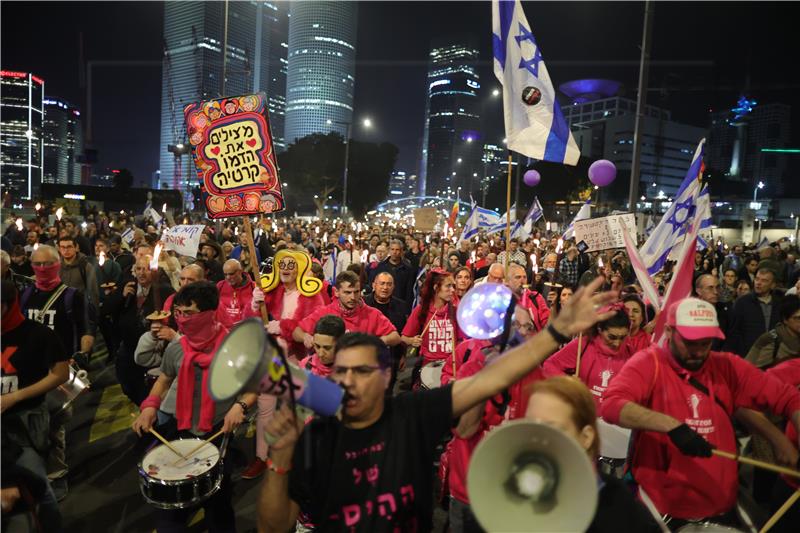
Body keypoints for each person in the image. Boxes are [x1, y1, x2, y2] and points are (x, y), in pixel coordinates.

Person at [257, 277, 618, 532]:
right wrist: (279, 460)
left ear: (386, 377)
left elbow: (489, 380)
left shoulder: (412, 415)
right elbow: (274, 527)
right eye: (342, 371)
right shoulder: (316, 437)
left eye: (363, 370)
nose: (349, 380)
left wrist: (556, 332)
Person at [600, 297, 800, 529]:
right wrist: (670, 425)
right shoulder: (649, 363)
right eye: (690, 342)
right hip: (662, 507)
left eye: (706, 343)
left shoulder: (726, 366)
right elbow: (612, 405)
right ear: (668, 331)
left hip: (719, 504)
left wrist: (782, 440)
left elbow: (787, 397)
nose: (698, 351)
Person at [132, 281, 256, 532]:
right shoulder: (177, 348)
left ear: (209, 313)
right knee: (171, 516)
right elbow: (165, 378)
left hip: (219, 433)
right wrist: (150, 406)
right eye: (178, 312)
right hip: (182, 430)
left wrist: (240, 406)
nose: (181, 319)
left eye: (188, 313)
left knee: (219, 511)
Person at [525, 377, 660, 532]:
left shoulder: (617, 504)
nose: (536, 439)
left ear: (586, 437)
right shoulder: (511, 491)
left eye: (553, 430)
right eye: (531, 426)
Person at [245, 251, 325, 480]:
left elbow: (314, 326)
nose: (286, 269)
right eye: (282, 265)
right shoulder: (272, 290)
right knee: (265, 406)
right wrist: (255, 302)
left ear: (299, 268)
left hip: (297, 358)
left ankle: (292, 456)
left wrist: (283, 326)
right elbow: (252, 317)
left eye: (290, 265)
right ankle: (261, 456)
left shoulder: (312, 294)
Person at [1, 279, 68, 532]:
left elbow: (60, 374)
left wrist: (16, 397)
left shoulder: (38, 334)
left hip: (25, 423)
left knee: (38, 486)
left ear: (9, 305)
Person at [105, 255, 174, 406]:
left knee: (148, 390)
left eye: (146, 269)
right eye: (138, 269)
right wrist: (120, 297)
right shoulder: (128, 287)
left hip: (152, 350)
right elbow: (105, 311)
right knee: (128, 385)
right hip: (128, 347)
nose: (142, 273)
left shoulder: (164, 290)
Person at [543, 307, 631, 405]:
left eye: (622, 337)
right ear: (600, 329)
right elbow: (549, 365)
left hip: (614, 416)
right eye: (612, 337)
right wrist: (568, 382)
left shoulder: (630, 351)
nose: (617, 343)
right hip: (584, 413)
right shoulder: (583, 344)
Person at [294, 271, 400, 348]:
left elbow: (395, 337)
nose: (353, 297)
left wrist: (377, 341)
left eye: (356, 292)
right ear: (336, 292)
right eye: (347, 292)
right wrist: (306, 337)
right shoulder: (324, 313)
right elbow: (296, 332)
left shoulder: (372, 314)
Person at [401, 269, 461, 388]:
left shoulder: (456, 311)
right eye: (448, 286)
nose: (453, 290)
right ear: (435, 288)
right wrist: (412, 341)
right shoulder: (421, 310)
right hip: (427, 366)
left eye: (453, 286)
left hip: (451, 366)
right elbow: (403, 337)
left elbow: (463, 339)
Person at [364, 271, 409, 387]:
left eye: (389, 284)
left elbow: (403, 332)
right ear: (374, 285)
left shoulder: (401, 306)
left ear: (393, 287)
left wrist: (403, 355)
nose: (385, 287)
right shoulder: (363, 303)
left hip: (392, 358)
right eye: (382, 283)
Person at [726, 267, 781, 357]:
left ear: (773, 285)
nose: (758, 283)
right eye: (757, 279)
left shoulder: (780, 303)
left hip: (772, 355)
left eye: (764, 280)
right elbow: (734, 332)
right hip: (748, 355)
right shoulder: (742, 302)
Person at [57, 234, 99, 311]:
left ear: (76, 248)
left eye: (69, 247)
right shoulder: (56, 267)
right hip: (60, 308)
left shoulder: (85, 266)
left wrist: (94, 313)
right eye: (63, 247)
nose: (66, 250)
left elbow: (93, 292)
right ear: (59, 249)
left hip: (79, 309)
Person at [372, 240, 416, 311]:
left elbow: (409, 292)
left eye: (397, 249)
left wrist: (407, 309)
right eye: (392, 249)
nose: (394, 252)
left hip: (399, 306)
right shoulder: (381, 267)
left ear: (401, 251)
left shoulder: (408, 269)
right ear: (389, 250)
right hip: (381, 304)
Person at [215, 258, 259, 330]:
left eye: (231, 274)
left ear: (240, 271)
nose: (228, 277)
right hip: (224, 330)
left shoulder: (254, 287)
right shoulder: (220, 286)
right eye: (225, 274)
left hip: (246, 329)